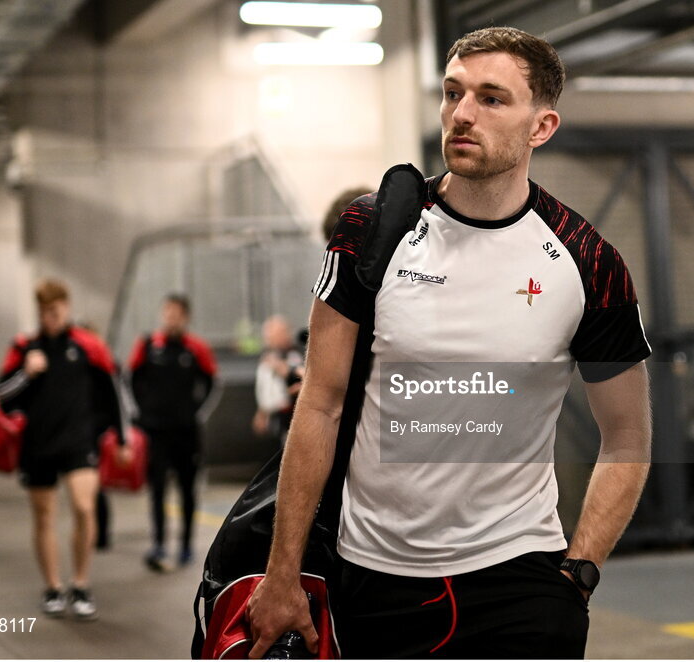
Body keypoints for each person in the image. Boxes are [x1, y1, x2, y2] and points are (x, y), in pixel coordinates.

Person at [246, 26, 652, 659]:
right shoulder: (372, 228)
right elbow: (319, 403)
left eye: (492, 99)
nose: (462, 114)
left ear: (541, 127)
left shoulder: (589, 263)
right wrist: (282, 572)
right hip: (373, 580)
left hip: (520, 578)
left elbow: (628, 438)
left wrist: (580, 572)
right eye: (453, 92)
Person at [0, 279, 130, 620]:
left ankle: (80, 583)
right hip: (38, 444)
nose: (49, 317)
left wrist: (123, 440)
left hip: (78, 441)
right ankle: (53, 588)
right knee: (44, 516)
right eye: (43, 312)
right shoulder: (25, 346)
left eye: (54, 310)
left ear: (66, 307)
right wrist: (26, 373)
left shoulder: (88, 345)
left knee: (85, 508)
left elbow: (114, 393)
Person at [128, 293, 218, 571]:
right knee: (157, 489)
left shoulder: (196, 348)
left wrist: (197, 411)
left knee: (187, 490)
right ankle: (158, 543)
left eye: (177, 312)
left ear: (186, 316)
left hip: (186, 432)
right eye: (167, 312)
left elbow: (213, 382)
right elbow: (129, 379)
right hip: (155, 433)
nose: (171, 317)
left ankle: (187, 546)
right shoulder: (147, 345)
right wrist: (140, 414)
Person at [251, 315, 304, 445]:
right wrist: (262, 412)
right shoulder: (268, 356)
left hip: (293, 416)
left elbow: (298, 377)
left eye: (273, 333)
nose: (269, 338)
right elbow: (266, 387)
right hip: (276, 418)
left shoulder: (296, 354)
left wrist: (279, 367)